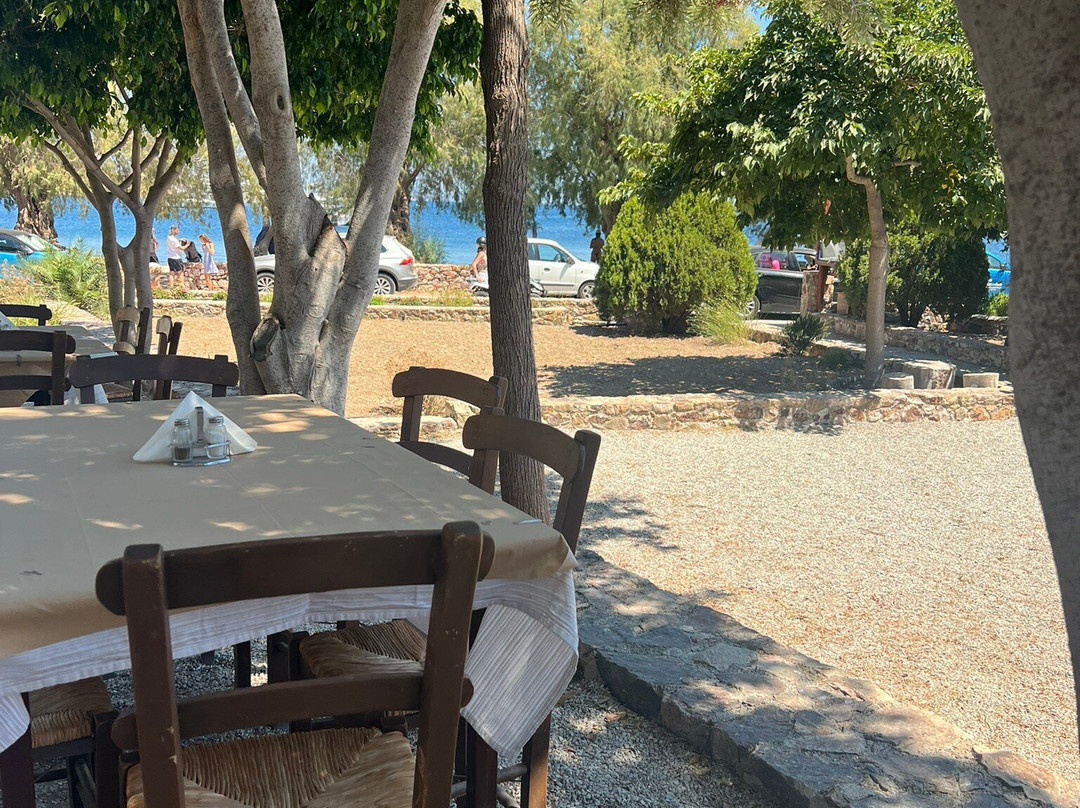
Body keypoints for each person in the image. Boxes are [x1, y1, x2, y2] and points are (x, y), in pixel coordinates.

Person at [165, 225, 188, 290]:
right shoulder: (174, 240)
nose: (178, 231)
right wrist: (187, 245)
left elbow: (175, 243)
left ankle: (171, 287)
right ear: (173, 230)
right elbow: (182, 248)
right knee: (180, 273)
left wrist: (180, 240)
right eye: (177, 230)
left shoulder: (169, 237)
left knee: (172, 273)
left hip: (170, 257)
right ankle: (183, 287)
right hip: (176, 258)